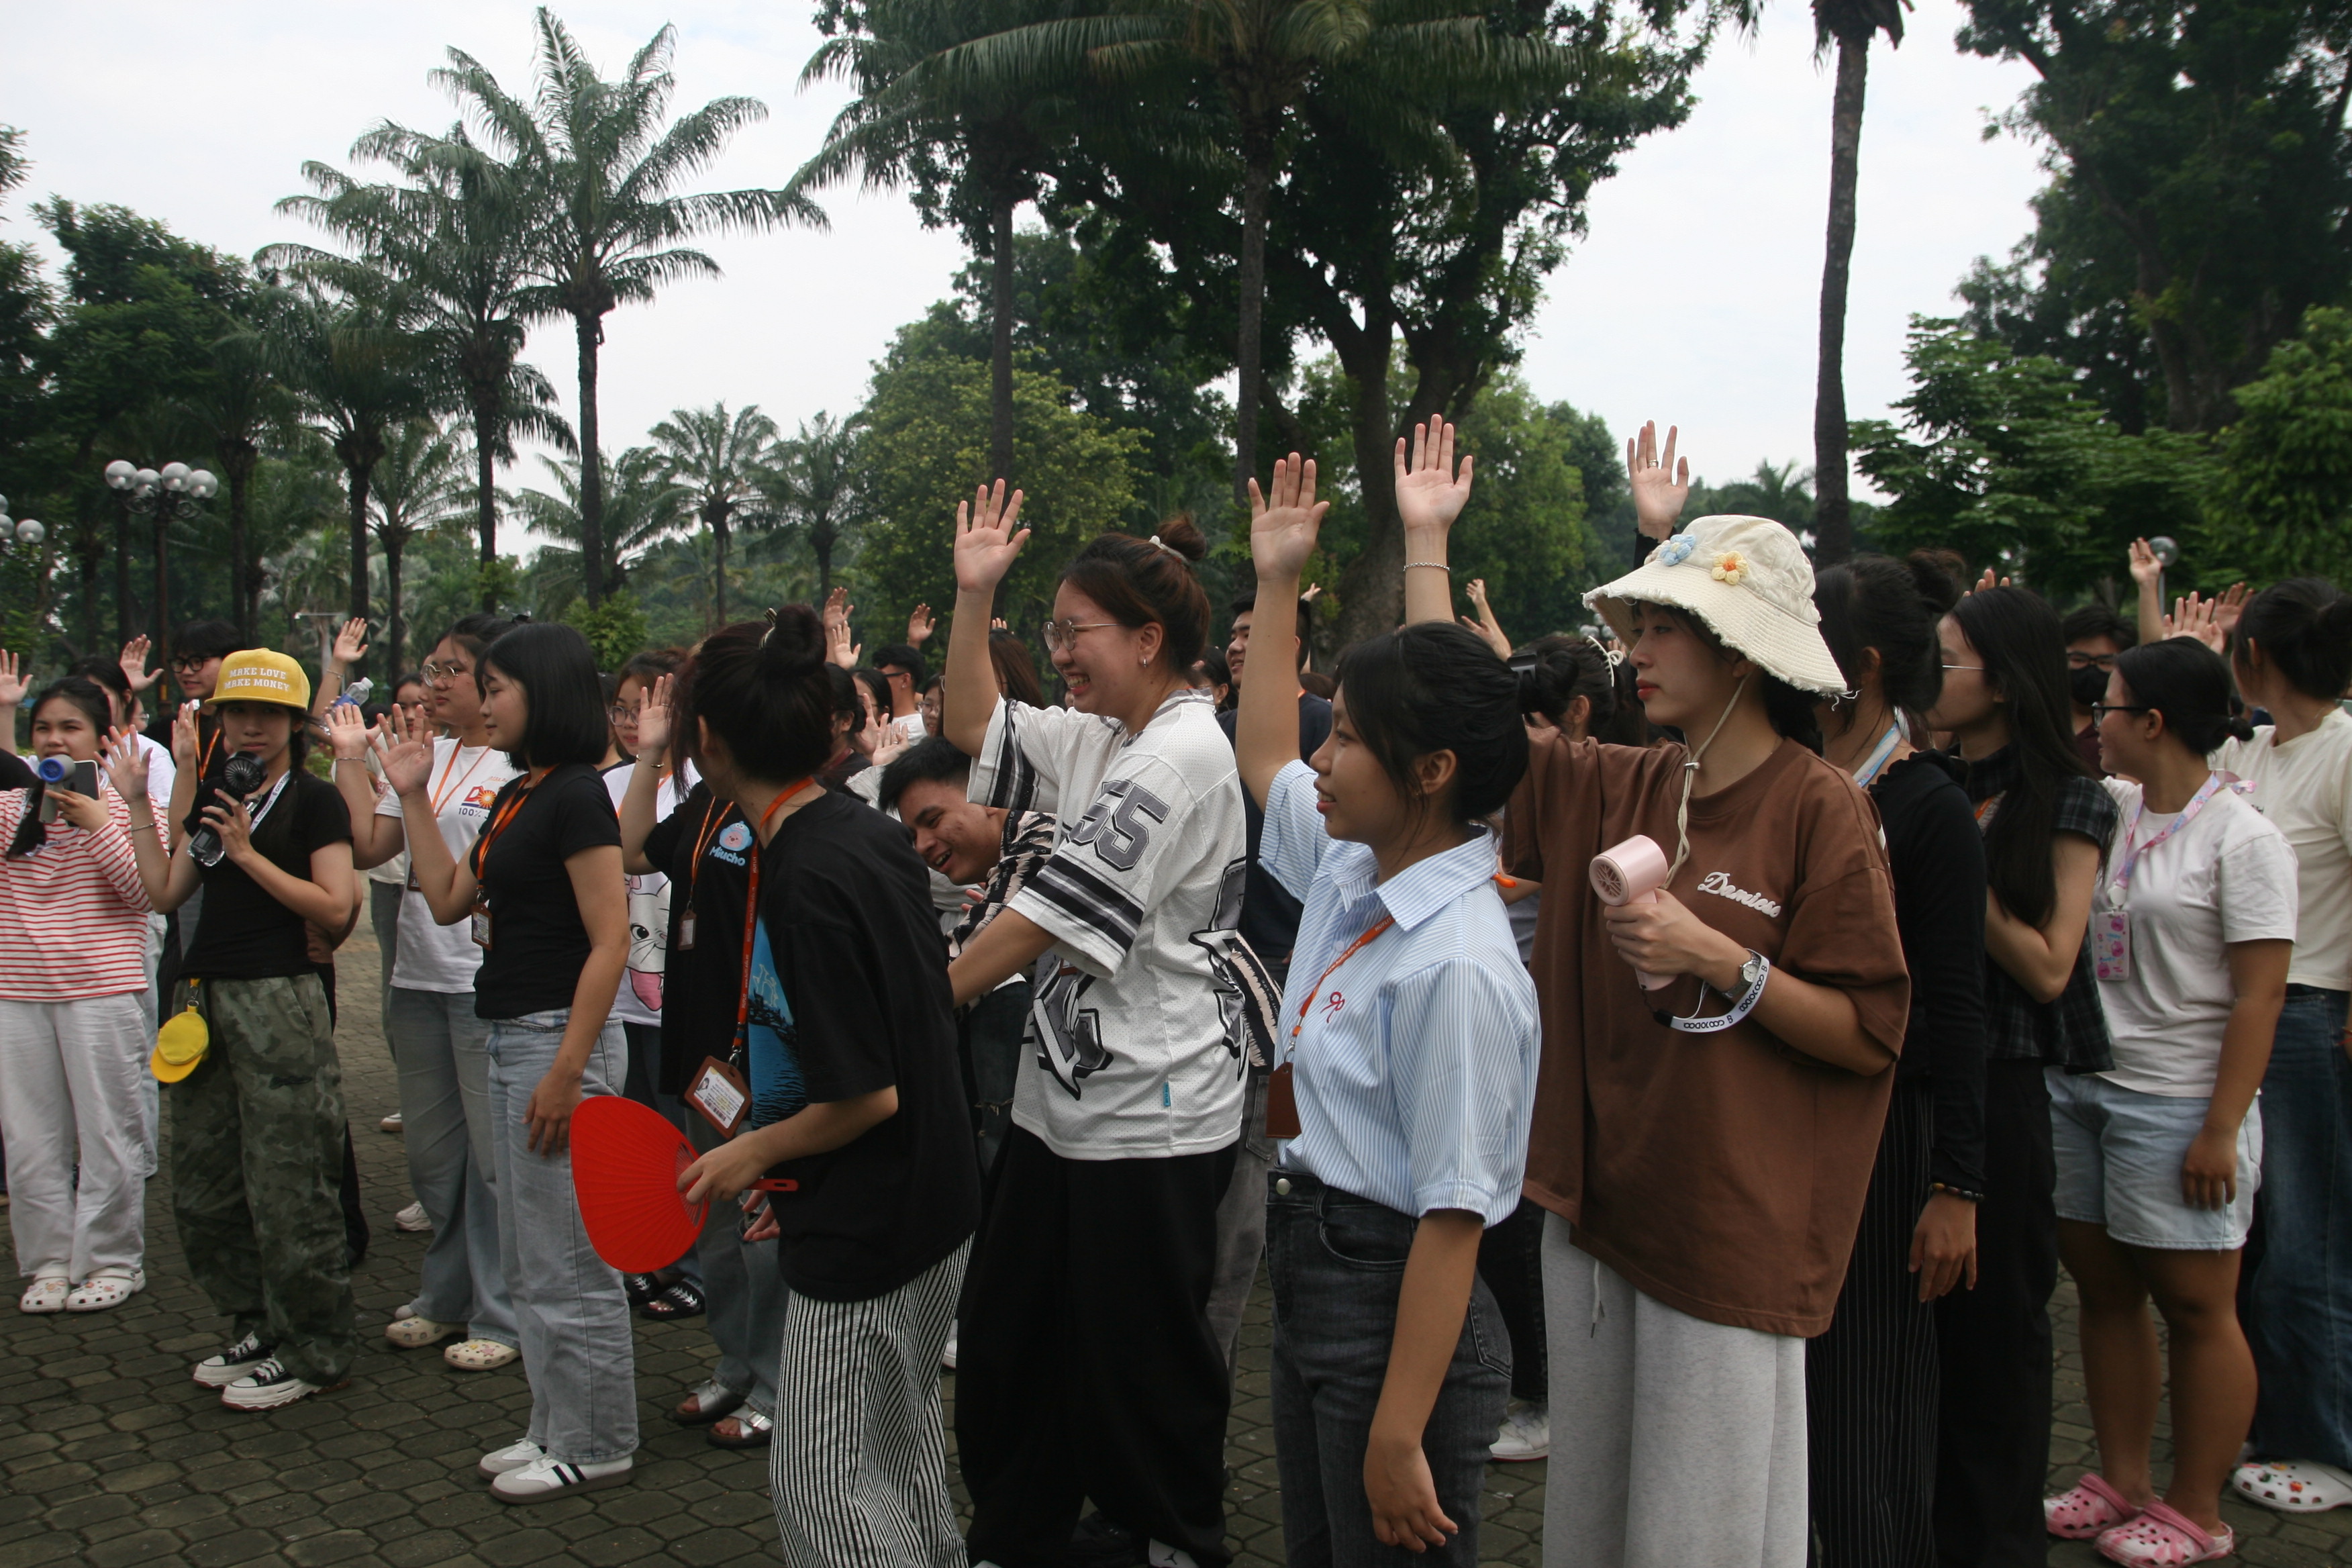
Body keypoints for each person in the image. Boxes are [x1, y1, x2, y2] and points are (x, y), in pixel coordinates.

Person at [1459, 420, 1910, 1568]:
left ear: (1740, 654)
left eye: (1664, 629)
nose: (1636, 653)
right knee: (1597, 1518)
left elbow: (1868, 1032)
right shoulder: (1625, 783)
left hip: (1727, 1232)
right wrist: (1425, 542)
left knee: (1698, 1532)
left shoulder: (1820, 807)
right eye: (1637, 627)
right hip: (1601, 1216)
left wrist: (1721, 958)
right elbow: (1454, 720)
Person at [942, 484, 1275, 1568]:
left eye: (1073, 631)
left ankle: (1171, 1541)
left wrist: (924, 1000)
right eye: (1050, 632)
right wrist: (972, 595)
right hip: (1063, 1102)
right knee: (1011, 1338)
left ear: (1146, 639)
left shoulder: (1179, 751)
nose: (1058, 654)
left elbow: (1048, 913)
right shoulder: (1100, 733)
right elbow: (971, 726)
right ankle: (1022, 1532)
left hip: (1152, 1113)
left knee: (1140, 1366)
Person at [1236, 451, 1538, 1565]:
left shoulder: (1455, 964)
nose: (1321, 757)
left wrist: (1401, 1433)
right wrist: (1277, 581)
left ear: (1432, 770)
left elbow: (1454, 1217)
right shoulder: (1353, 867)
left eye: (1351, 738)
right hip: (1317, 1267)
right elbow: (1263, 754)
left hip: (1393, 1302)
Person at [671, 609, 980, 1564]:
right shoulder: (859, 831)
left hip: (875, 1229)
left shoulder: (808, 872)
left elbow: (865, 1095)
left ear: (708, 740)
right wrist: (792, 1175)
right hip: (926, 1197)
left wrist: (751, 1153)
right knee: (898, 1449)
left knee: (825, 1483)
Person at [2041, 638, 2294, 1564]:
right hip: (2086, 1085)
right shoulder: (2111, 807)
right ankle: (2122, 1480)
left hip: (2181, 1098)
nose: (2094, 723)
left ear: (2151, 722)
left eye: (2106, 707)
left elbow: (2261, 996)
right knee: (2106, 1294)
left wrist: (2222, 1127)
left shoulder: (2244, 839)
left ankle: (2198, 1509)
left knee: (2195, 1307)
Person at [385, 622, 636, 1501]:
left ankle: (597, 1439)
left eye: (495, 686)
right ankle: (555, 1421)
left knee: (568, 1255)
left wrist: (569, 1069)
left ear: (546, 691)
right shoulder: (518, 793)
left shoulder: (577, 796)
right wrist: (411, 796)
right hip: (509, 1034)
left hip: (555, 1037)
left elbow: (611, 940)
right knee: (530, 1255)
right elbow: (448, 898)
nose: (482, 702)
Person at [1805, 555, 1993, 1566]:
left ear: (1865, 665)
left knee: (1865, 1412)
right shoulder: (1801, 778)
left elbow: (1958, 1007)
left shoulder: (1926, 806)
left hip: (1888, 1140)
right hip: (1798, 1124)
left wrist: (1956, 1183)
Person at [1926, 584, 2120, 1567]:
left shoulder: (2069, 795)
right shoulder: (1934, 779)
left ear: (2002, 682)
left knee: (1999, 1334)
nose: (1930, 675)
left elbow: (2049, 966)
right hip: (1923, 1076)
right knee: (1928, 1338)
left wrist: (1955, 863)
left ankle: (1998, 1542)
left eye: (1947, 659)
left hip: (2006, 1088)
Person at [110, 651, 360, 1411]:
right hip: (203, 998)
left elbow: (336, 908)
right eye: (238, 711)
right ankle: (257, 1320)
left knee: (291, 1184)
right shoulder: (220, 794)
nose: (252, 726)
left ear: (295, 724)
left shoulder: (314, 801)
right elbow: (164, 891)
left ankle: (314, 1347)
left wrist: (248, 854)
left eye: (269, 713)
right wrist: (137, 803)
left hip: (280, 997)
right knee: (206, 1183)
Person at [328, 612, 524, 1374]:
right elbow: (370, 845)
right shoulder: (427, 752)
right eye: (432, 668)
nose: (435, 682)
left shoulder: (515, 764)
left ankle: (503, 1311)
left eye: (452, 670)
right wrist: (353, 759)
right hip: (416, 974)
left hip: (480, 981)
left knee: (493, 1159)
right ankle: (446, 1292)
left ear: (493, 681)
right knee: (435, 1156)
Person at [2205, 581, 2352, 1516]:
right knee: (2258, 1238)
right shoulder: (2256, 746)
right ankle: (2276, 1414)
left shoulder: (2344, 751)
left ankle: (2328, 1445)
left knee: (2312, 1239)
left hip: (2313, 1015)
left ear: (2255, 655)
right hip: (2255, 1014)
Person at [622, 672, 787, 1449]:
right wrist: (648, 755)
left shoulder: (784, 806)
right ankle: (735, 1362)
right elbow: (632, 847)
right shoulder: (705, 802)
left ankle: (781, 1382)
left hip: (760, 1052)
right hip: (700, 1052)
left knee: (763, 1226)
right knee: (715, 1220)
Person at [1206, 589, 1336, 1383]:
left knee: (1272, 1140)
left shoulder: (1320, 725)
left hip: (1289, 973)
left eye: (1256, 631)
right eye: (1233, 633)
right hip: (1223, 966)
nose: (1238, 644)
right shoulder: (1214, 729)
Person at [1, 678, 158, 1313]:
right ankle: (47, 1262)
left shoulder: (129, 808)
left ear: (101, 738)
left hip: (101, 993)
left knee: (108, 1132)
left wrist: (97, 824)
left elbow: (146, 894)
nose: (54, 740)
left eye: (70, 728)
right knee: (30, 1139)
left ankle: (113, 1259)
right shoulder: (10, 809)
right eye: (43, 728)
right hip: (18, 993)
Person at [877, 736, 1059, 1181]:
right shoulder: (1015, 856)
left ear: (989, 793)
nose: (922, 846)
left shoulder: (1042, 843)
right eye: (912, 835)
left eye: (933, 820)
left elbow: (959, 969)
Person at [2063, 604, 2136, 776]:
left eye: (2105, 662)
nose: (2091, 670)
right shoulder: (2037, 716)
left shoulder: (2131, 728)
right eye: (2079, 660)